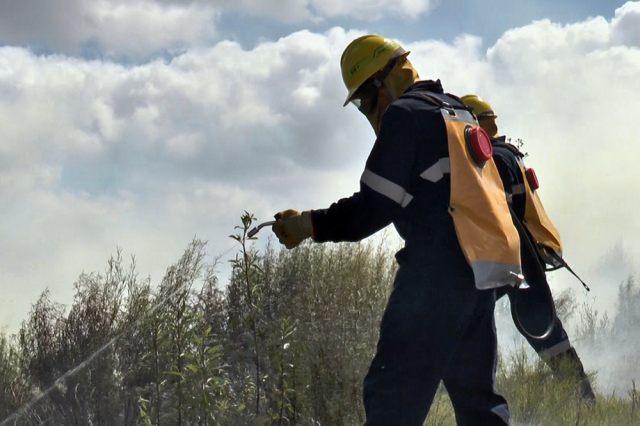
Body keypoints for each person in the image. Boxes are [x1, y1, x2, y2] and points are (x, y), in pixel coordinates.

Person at [271, 34, 521, 425]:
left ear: (383, 83)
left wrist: (306, 225)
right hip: (478, 277)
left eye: (365, 101)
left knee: (393, 398)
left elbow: (371, 210)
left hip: (433, 279)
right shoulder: (457, 112)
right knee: (480, 406)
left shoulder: (405, 116)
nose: (368, 112)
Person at [461, 94, 597, 406]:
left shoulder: (493, 158)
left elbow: (497, 214)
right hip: (519, 258)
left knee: (475, 323)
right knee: (545, 334)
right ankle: (584, 400)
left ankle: (582, 402)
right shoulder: (509, 154)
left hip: (509, 258)